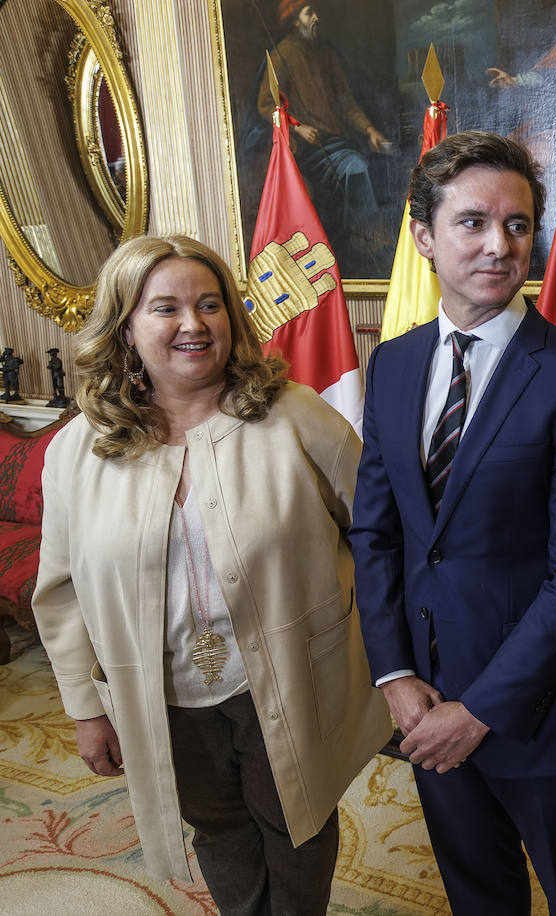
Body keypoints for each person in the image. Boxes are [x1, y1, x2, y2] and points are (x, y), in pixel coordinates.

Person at [31, 234, 392, 911]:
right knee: (219, 826)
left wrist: (387, 658)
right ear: (126, 328)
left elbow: (381, 533)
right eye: (164, 308)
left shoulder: (296, 416)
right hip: (165, 695)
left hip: (289, 677)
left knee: (297, 822)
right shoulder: (77, 449)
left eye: (209, 305)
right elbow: (60, 594)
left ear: (232, 316)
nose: (193, 325)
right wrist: (85, 709)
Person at [350, 131, 556, 915]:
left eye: (519, 225)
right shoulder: (391, 364)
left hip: (535, 710)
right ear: (424, 236)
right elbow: (377, 534)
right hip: (425, 700)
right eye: (472, 223)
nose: (500, 246)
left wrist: (482, 710)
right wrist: (396, 678)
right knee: (479, 896)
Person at [256, 1, 390, 275]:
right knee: (356, 168)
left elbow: (345, 102)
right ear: (295, 21)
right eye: (308, 13)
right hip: (307, 148)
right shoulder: (283, 54)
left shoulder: (326, 56)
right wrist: (297, 127)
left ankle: (364, 242)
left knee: (365, 168)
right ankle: (367, 242)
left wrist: (369, 130)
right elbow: (267, 105)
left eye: (315, 12)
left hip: (335, 141)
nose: (316, 18)